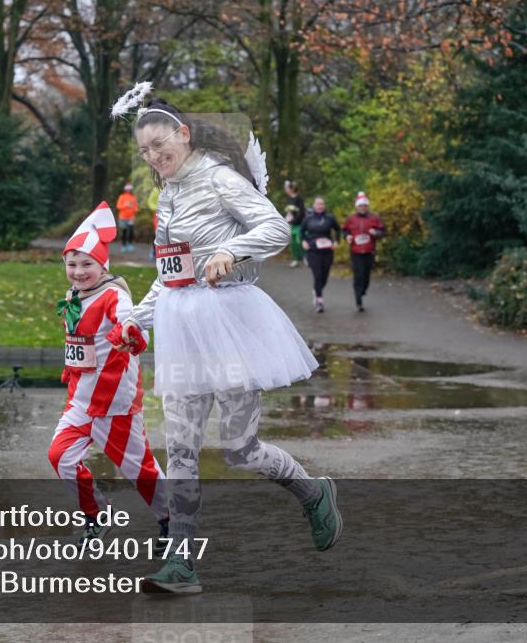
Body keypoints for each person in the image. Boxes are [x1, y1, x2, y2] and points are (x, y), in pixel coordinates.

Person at [111, 92, 342, 594]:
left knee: (239, 449)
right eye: (144, 150)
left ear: (183, 134)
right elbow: (169, 273)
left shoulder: (218, 178)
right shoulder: (167, 195)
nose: (152, 156)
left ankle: (313, 492)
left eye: (159, 144)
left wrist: (230, 251)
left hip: (228, 324)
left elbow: (275, 227)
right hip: (181, 326)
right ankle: (182, 565)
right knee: (182, 449)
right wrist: (137, 321)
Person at [50, 201, 169, 545]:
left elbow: (133, 323)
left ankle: (171, 519)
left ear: (102, 265)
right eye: (72, 264)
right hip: (80, 399)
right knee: (61, 457)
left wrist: (129, 334)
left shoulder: (114, 294)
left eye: (86, 264)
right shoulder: (74, 293)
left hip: (114, 400)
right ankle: (96, 514)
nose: (78, 270)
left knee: (138, 469)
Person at [342, 192, 385, 312]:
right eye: (360, 206)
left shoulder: (374, 218)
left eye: (365, 206)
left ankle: (363, 289)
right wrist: (347, 237)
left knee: (366, 275)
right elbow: (344, 231)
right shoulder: (351, 219)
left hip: (369, 251)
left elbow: (382, 231)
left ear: (367, 207)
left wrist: (376, 233)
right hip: (355, 251)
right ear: (357, 207)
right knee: (358, 275)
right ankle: (358, 301)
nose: (363, 208)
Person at [300, 196, 342, 313]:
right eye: (318, 204)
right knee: (317, 274)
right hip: (313, 251)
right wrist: (304, 241)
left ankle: (316, 290)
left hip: (327, 250)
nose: (320, 206)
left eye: (322, 204)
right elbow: (301, 231)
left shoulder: (330, 218)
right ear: (314, 205)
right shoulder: (308, 219)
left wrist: (336, 241)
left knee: (324, 276)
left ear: (324, 206)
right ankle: (319, 301)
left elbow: (338, 230)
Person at [284, 180, 306, 268]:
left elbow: (301, 212)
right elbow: (288, 211)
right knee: (292, 242)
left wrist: (295, 220)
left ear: (292, 189)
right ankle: (295, 259)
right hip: (290, 223)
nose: (286, 190)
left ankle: (304, 257)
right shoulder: (289, 199)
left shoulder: (299, 198)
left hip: (298, 223)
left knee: (299, 240)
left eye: (287, 188)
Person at [116, 183, 138, 252]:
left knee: (131, 231)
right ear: (125, 189)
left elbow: (136, 208)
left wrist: (134, 208)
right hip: (123, 217)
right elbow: (118, 206)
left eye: (130, 189)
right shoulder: (122, 196)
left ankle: (130, 245)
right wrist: (126, 205)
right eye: (127, 189)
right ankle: (124, 245)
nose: (129, 190)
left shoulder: (133, 197)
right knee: (124, 231)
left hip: (131, 217)